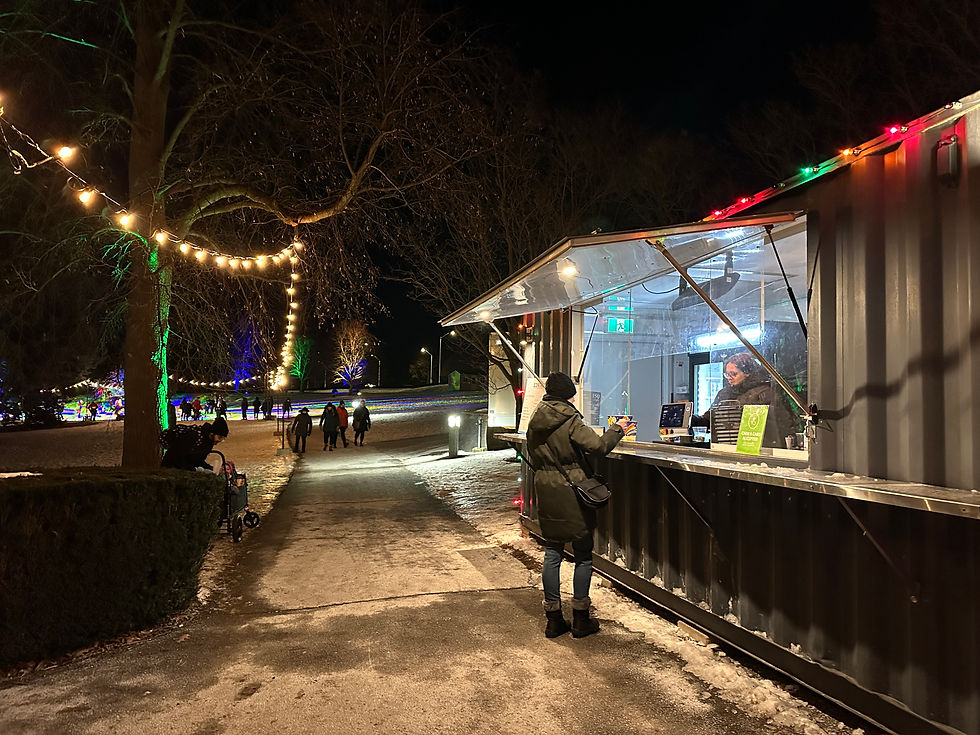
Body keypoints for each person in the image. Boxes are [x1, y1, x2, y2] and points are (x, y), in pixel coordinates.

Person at [526, 371, 628, 639]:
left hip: (546, 488)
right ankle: (581, 619)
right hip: (572, 490)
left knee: (552, 552)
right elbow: (598, 446)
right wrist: (619, 428)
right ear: (567, 396)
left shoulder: (535, 418)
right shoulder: (570, 418)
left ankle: (553, 620)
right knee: (582, 554)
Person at [697, 352, 797, 448]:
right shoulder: (724, 394)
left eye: (733, 374)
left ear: (747, 373)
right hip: (724, 446)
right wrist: (694, 420)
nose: (729, 378)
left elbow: (779, 426)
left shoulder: (764, 393)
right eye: (727, 374)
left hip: (755, 448)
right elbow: (710, 418)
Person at [160, 415, 229, 471]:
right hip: (171, 468)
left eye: (223, 438)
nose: (220, 440)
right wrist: (192, 469)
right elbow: (178, 455)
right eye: (219, 437)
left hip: (183, 469)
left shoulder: (208, 443)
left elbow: (198, 460)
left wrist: (211, 469)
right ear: (212, 433)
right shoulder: (193, 436)